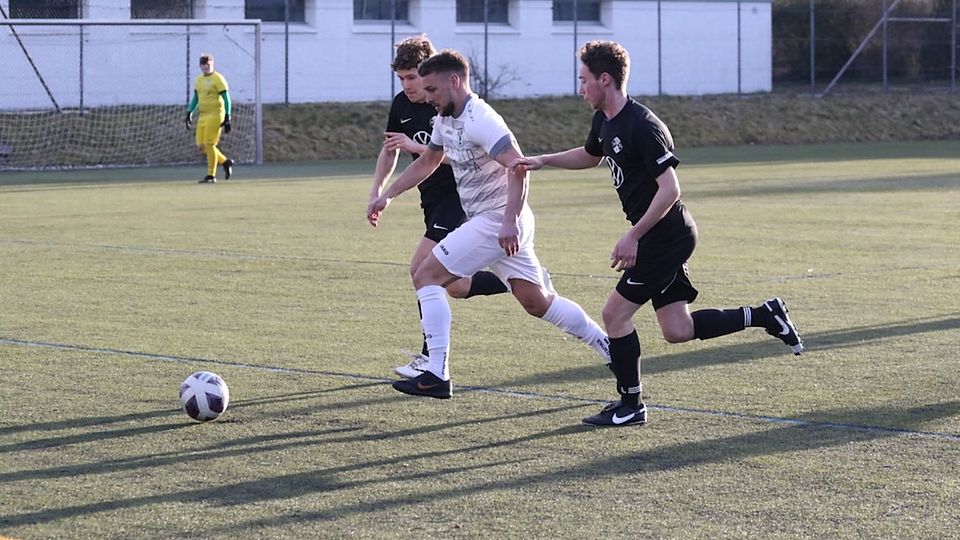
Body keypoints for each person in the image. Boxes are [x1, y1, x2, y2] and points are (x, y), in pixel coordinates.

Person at [510, 40, 803, 427]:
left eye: (584, 80)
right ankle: (764, 315)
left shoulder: (644, 126)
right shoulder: (605, 119)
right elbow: (591, 154)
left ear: (605, 79)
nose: (580, 88)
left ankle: (631, 405)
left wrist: (634, 235)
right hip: (660, 235)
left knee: (614, 314)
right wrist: (544, 160)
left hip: (666, 235)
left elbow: (671, 189)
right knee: (677, 329)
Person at [367, 49, 611, 399]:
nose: (428, 98)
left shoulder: (482, 119)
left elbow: (518, 166)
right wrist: (387, 195)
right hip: (494, 222)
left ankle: (436, 372)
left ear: (455, 81)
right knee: (536, 301)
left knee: (425, 274)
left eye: (432, 90)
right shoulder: (445, 119)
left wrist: (509, 221)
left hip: (498, 219)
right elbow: (429, 162)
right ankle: (608, 346)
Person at [369, 35, 511, 379]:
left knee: (421, 269)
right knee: (456, 287)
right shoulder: (401, 105)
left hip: (459, 199)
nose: (408, 87)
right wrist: (378, 192)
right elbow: (390, 150)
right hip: (430, 200)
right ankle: (514, 281)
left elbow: (457, 157)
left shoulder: (447, 105)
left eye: (413, 78)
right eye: (401, 79)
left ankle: (430, 360)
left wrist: (414, 149)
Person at [185, 53, 233, 184]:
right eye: (204, 65)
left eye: (209, 65)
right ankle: (225, 161)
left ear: (212, 64)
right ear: (200, 66)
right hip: (203, 115)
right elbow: (196, 98)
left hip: (216, 115)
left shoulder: (218, 79)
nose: (206, 67)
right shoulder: (199, 80)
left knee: (210, 144)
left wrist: (228, 116)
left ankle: (211, 175)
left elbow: (227, 99)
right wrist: (189, 112)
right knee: (201, 146)